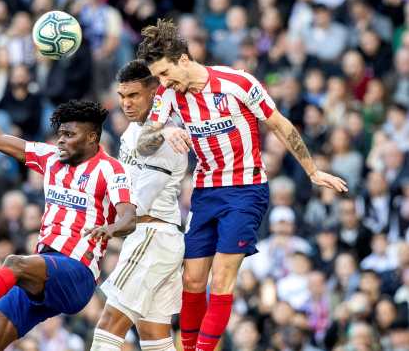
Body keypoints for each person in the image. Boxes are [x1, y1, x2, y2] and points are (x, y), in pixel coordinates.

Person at [135, 19, 348, 351]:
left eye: (165, 73)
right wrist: (163, 130)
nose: (163, 82)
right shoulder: (168, 95)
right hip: (205, 191)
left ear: (185, 60)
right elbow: (144, 140)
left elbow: (279, 124)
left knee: (221, 279)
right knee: (191, 281)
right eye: (158, 77)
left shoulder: (236, 83)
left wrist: (312, 170)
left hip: (245, 190)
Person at [0, 61, 137, 351]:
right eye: (61, 134)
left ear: (92, 138)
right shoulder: (50, 157)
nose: (62, 140)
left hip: (76, 274)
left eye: (70, 135)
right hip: (40, 273)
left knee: (14, 263)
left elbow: (129, 217)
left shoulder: (112, 170)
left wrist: (112, 228)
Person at [91, 60, 187, 351]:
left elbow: (138, 203)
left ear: (155, 93)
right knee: (155, 339)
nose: (126, 103)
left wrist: (106, 222)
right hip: (151, 239)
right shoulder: (132, 132)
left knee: (107, 326)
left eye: (134, 96)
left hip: (152, 237)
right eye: (122, 96)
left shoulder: (170, 137)